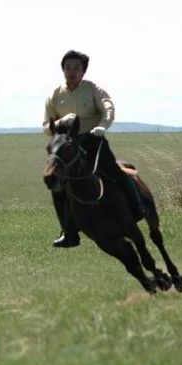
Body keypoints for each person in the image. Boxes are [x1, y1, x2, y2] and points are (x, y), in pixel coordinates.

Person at [43, 50, 143, 248]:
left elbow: (108, 107)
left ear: (83, 71)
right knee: (57, 186)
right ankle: (69, 233)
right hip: (67, 147)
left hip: (92, 140)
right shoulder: (54, 95)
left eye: (77, 68)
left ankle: (138, 208)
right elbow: (47, 127)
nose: (72, 71)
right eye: (68, 67)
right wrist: (63, 120)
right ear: (63, 70)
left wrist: (102, 126)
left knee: (114, 171)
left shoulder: (93, 89)